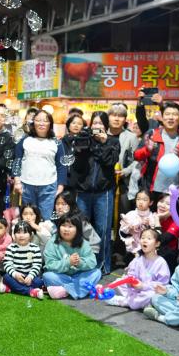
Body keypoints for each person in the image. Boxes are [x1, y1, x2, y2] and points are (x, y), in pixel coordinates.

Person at [71, 111, 120, 273]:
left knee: (102, 229)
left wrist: (104, 143)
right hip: (83, 191)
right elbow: (78, 165)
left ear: (106, 126)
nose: (97, 126)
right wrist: (82, 143)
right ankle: (82, 263)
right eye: (95, 123)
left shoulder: (113, 141)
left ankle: (102, 264)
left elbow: (109, 162)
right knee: (82, 228)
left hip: (103, 192)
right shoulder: (85, 139)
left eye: (100, 123)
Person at [12, 110, 67, 221]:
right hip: (26, 185)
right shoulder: (25, 140)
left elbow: (62, 165)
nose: (41, 123)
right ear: (34, 122)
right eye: (38, 120)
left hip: (48, 186)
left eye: (45, 121)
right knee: (27, 219)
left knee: (46, 220)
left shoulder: (57, 143)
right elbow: (17, 161)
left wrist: (60, 186)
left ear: (50, 124)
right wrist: (17, 182)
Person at [133, 101, 179, 203]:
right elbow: (136, 156)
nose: (171, 117)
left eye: (175, 114)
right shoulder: (152, 134)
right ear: (162, 117)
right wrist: (147, 150)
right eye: (167, 114)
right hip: (152, 189)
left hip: (174, 191)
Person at [108, 104, 140, 268]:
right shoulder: (102, 134)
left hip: (124, 185)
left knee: (124, 220)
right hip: (104, 184)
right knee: (106, 219)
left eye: (120, 116)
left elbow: (137, 160)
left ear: (125, 119)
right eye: (113, 115)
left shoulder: (131, 137)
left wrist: (125, 171)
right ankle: (106, 252)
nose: (116, 118)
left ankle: (121, 252)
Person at [106, 228, 170, 310]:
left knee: (152, 296)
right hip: (135, 289)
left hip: (148, 291)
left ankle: (125, 301)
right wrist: (131, 282)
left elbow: (162, 284)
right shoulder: (138, 259)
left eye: (149, 238)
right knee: (118, 282)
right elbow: (130, 275)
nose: (145, 240)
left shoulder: (161, 262)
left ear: (157, 244)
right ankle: (134, 300)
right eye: (142, 238)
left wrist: (143, 286)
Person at [42, 213, 100, 299]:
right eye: (63, 226)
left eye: (70, 226)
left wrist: (80, 262)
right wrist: (68, 262)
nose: (66, 229)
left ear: (77, 229)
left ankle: (66, 290)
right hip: (61, 276)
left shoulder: (83, 243)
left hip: (79, 275)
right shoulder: (52, 242)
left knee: (97, 272)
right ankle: (84, 289)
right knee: (47, 276)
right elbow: (49, 265)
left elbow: (92, 262)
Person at [0, 221, 45, 299]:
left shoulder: (35, 248)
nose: (21, 235)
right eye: (18, 232)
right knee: (6, 277)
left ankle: (11, 289)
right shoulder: (11, 247)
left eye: (25, 232)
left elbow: (37, 265)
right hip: (15, 276)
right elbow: (7, 264)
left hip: (29, 276)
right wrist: (15, 274)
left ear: (31, 235)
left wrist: (30, 276)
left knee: (39, 282)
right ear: (14, 235)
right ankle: (30, 292)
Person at [119, 189, 158, 255]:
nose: (140, 202)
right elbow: (122, 233)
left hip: (147, 250)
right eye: (138, 199)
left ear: (151, 202)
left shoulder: (153, 216)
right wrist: (129, 228)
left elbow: (155, 235)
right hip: (131, 248)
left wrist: (148, 226)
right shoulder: (130, 214)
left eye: (144, 200)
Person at [155, 194, 179, 271]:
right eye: (161, 201)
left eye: (168, 204)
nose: (162, 205)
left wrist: (157, 220)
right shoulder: (151, 215)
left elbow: (161, 240)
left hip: (167, 259)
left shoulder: (177, 222)